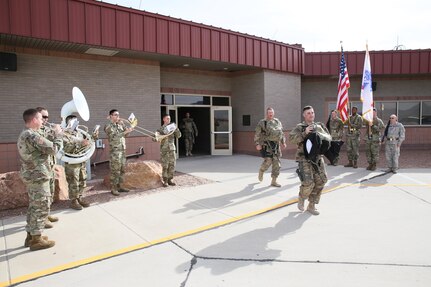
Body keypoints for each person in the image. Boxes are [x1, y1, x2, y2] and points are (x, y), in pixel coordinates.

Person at [18, 108, 63, 251]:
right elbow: (54, 148)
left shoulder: (30, 134)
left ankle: (31, 236)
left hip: (35, 175)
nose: (43, 120)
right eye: (40, 118)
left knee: (34, 207)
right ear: (33, 120)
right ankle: (36, 240)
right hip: (37, 176)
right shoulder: (30, 135)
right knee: (41, 207)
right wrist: (58, 134)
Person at [289, 106, 331, 215]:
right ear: (304, 115)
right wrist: (304, 133)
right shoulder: (300, 127)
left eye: (312, 112)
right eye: (308, 113)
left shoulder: (320, 126)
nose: (311, 114)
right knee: (308, 183)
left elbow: (328, 137)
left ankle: (311, 205)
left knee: (322, 180)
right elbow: (292, 139)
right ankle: (302, 197)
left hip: (317, 158)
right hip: (304, 158)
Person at [63, 115, 98, 210]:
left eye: (76, 121)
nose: (76, 123)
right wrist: (79, 143)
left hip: (81, 160)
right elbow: (66, 149)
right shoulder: (65, 134)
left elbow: (88, 143)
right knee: (73, 182)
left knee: (82, 179)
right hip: (72, 162)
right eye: (73, 121)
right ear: (68, 123)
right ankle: (73, 201)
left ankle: (80, 197)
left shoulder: (80, 133)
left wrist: (93, 137)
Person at [35, 107, 58, 227]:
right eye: (43, 117)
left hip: (49, 167)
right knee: (42, 197)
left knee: (50, 193)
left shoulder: (45, 129)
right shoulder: (36, 132)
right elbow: (52, 148)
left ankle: (46, 214)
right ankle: (42, 218)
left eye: (47, 117)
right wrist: (57, 134)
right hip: (41, 170)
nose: (46, 119)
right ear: (36, 117)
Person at [254, 107, 286, 187]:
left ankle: (274, 181)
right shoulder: (262, 122)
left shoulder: (277, 121)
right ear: (266, 113)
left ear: (273, 113)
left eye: (272, 112)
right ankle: (261, 171)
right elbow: (257, 134)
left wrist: (283, 141)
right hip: (267, 145)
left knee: (277, 165)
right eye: (269, 113)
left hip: (276, 146)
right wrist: (257, 144)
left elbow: (281, 132)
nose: (271, 114)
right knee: (268, 162)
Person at [104, 109, 133, 196]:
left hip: (122, 151)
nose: (118, 116)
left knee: (122, 170)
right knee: (115, 171)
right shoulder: (108, 126)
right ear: (110, 116)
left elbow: (126, 135)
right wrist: (125, 132)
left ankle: (120, 186)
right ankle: (113, 188)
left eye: (118, 115)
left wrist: (126, 129)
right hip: (115, 152)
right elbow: (115, 137)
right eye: (115, 115)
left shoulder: (120, 125)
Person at [156, 115, 181, 187]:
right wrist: (158, 137)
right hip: (164, 150)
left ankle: (170, 179)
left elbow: (178, 136)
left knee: (172, 165)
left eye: (169, 118)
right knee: (165, 165)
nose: (169, 120)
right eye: (167, 118)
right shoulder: (160, 129)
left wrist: (176, 129)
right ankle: (165, 181)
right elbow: (155, 138)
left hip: (172, 149)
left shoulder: (172, 128)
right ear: (164, 119)